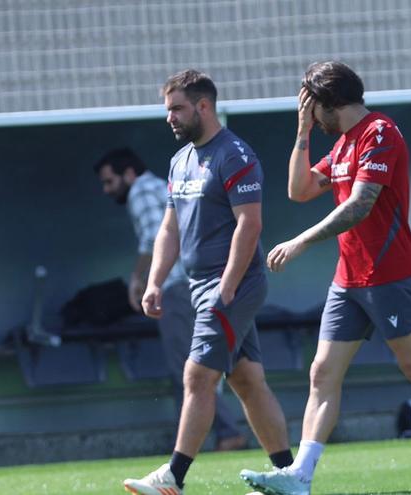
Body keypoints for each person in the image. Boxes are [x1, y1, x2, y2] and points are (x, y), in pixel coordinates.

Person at [240, 61, 411, 494]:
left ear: (329, 102)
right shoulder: (342, 145)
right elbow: (298, 190)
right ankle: (300, 476)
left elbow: (360, 204)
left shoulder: (380, 133)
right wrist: (302, 132)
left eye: (312, 108)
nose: (312, 116)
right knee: (322, 373)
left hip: (388, 274)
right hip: (348, 280)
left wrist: (301, 241)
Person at [122, 69, 293, 495]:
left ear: (203, 106)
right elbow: (169, 228)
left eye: (177, 109)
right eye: (168, 110)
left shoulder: (234, 154)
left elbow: (249, 224)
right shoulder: (179, 161)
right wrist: (155, 282)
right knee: (247, 381)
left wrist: (228, 285)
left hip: (231, 285)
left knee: (197, 377)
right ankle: (291, 476)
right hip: (200, 285)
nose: (170, 118)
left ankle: (173, 477)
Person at [93, 147, 247, 452]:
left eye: (109, 181)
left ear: (129, 173)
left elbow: (153, 239)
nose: (106, 189)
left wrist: (139, 279)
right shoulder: (160, 185)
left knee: (186, 368)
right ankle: (188, 443)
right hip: (195, 285)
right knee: (191, 369)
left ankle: (228, 433)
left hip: (177, 289)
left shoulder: (141, 190)